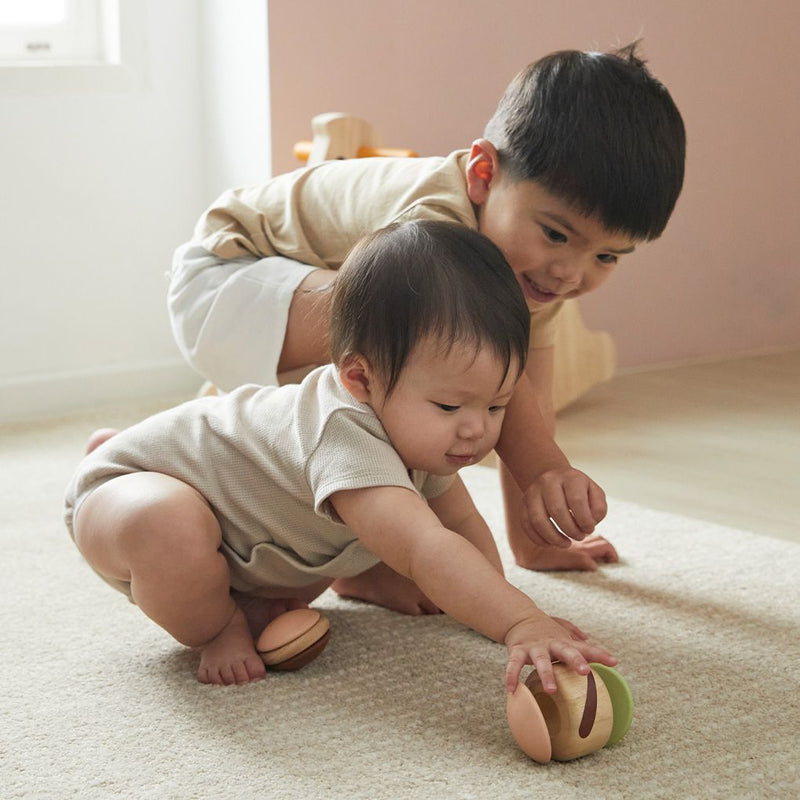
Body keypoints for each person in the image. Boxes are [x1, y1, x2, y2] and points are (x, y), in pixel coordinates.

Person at [167, 43, 686, 590]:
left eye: (606, 256)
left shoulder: (532, 272)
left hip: (287, 329)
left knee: (415, 389)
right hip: (225, 282)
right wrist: (544, 466)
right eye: (556, 234)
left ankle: (351, 559)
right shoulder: (438, 220)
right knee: (409, 354)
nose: (569, 274)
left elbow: (525, 391)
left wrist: (535, 538)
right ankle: (377, 556)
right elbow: (495, 404)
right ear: (484, 173)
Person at [65, 221, 618, 689]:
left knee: (353, 547)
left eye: (497, 406)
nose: (476, 430)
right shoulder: (343, 430)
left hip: (247, 540)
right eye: (450, 405)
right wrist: (520, 625)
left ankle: (266, 594)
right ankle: (217, 623)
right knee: (167, 526)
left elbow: (461, 527)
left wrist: (502, 606)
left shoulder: (423, 431)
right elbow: (427, 549)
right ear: (359, 378)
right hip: (133, 485)